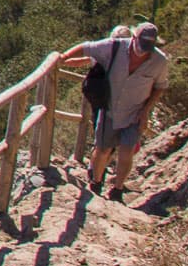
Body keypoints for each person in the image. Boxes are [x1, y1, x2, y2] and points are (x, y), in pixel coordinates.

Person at [59, 22, 169, 201]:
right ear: (133, 38)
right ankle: (96, 181)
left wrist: (146, 111)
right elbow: (86, 48)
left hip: (135, 112)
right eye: (141, 45)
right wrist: (63, 57)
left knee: (126, 150)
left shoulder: (159, 61)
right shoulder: (115, 47)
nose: (143, 51)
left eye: (148, 47)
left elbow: (160, 86)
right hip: (110, 109)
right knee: (103, 150)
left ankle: (117, 189)